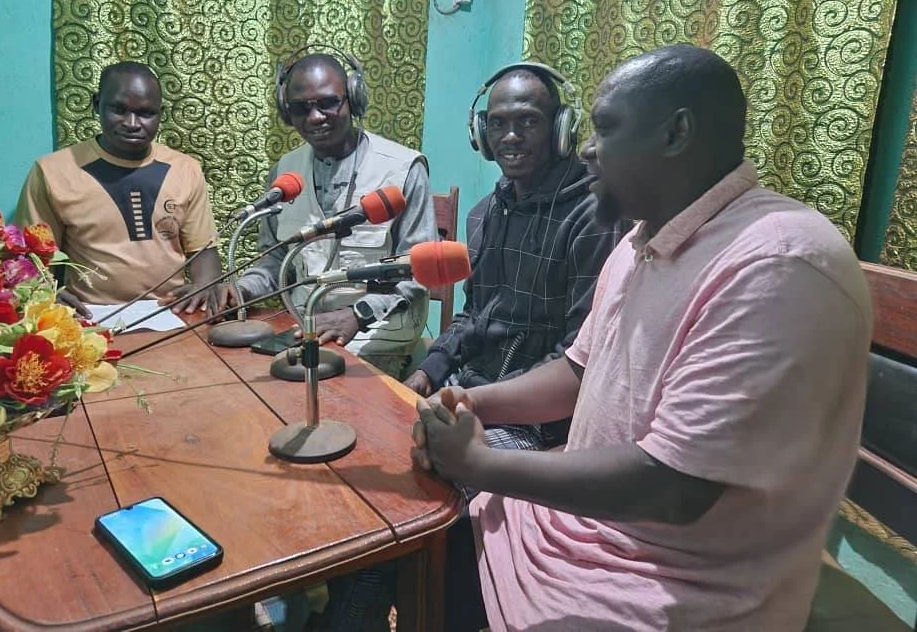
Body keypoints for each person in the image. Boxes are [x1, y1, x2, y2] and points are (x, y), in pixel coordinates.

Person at [413, 44, 872, 631]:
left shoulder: (777, 264)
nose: (586, 148)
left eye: (605, 128)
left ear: (675, 133)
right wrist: (474, 402)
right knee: (413, 549)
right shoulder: (640, 243)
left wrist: (479, 463)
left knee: (430, 556)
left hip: (674, 580)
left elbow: (674, 488)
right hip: (582, 533)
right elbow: (577, 373)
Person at [404, 63, 627, 454]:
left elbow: (579, 352)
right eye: (497, 124)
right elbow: (473, 314)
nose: (510, 137)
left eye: (528, 122)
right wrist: (429, 368)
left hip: (538, 416)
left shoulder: (593, 217)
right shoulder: (487, 211)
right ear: (481, 134)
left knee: (432, 464)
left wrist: (483, 403)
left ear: (560, 129)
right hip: (470, 388)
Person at [237, 50, 436, 378]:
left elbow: (418, 271)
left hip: (378, 337)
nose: (315, 117)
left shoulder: (402, 169)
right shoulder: (284, 172)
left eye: (328, 103)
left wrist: (358, 313)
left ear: (354, 100)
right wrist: (242, 290)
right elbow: (274, 262)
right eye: (301, 108)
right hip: (305, 329)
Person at [15, 61, 237, 318]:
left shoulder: (185, 169)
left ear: (161, 114)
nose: (132, 123)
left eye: (146, 113)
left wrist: (204, 286)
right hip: (90, 316)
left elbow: (204, 252)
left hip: (171, 313)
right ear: (96, 104)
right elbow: (31, 259)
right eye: (119, 110)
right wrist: (45, 295)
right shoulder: (53, 172)